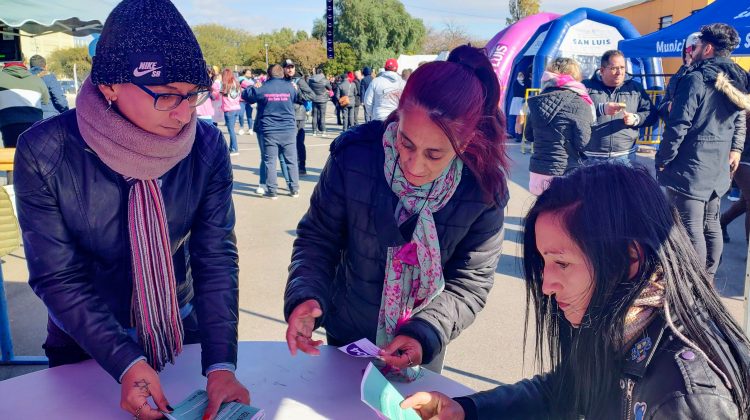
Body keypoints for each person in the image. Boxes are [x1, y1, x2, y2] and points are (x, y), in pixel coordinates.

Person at [14, 1, 248, 419]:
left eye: (193, 95)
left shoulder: (207, 147)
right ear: (109, 86)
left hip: (181, 327)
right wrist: (125, 361)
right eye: (166, 96)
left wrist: (220, 364)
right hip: (85, 341)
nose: (184, 113)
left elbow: (214, 257)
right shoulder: (45, 151)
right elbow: (56, 275)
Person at [402, 162, 750, 419]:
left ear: (630, 256)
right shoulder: (625, 318)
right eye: (544, 263)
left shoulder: (686, 397)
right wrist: (466, 410)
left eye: (562, 263)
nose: (546, 285)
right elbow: (567, 389)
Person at [284, 45, 509, 381]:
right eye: (406, 143)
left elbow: (470, 283)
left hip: (422, 341)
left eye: (434, 154)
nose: (414, 166)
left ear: (465, 144)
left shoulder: (483, 189)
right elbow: (318, 238)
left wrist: (424, 334)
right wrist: (306, 295)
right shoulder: (355, 156)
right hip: (348, 328)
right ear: (398, 114)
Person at [656, 23, 750, 279]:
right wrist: (735, 149)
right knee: (710, 225)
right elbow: (738, 120)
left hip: (691, 166)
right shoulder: (739, 78)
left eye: (696, 46)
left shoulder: (696, 78)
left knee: (692, 227)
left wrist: (663, 159)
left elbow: (679, 125)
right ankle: (707, 277)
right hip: (717, 166)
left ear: (707, 48)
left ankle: (695, 284)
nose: (694, 51)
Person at [525, 58, 594, 196]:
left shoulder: (537, 101)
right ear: (576, 77)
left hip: (538, 170)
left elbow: (529, 135)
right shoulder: (580, 102)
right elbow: (582, 142)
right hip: (566, 170)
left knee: (541, 212)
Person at [584, 50, 656, 162]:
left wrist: (636, 119)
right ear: (602, 70)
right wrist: (601, 109)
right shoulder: (586, 87)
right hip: (591, 157)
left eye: (622, 68)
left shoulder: (635, 88)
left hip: (625, 157)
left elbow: (651, 114)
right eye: (614, 68)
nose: (619, 72)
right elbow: (574, 113)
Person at [246, 64, 299, 199]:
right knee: (291, 160)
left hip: (270, 129)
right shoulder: (291, 87)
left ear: (268, 75)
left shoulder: (263, 88)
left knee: (270, 161)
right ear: (282, 74)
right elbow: (296, 98)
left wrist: (254, 86)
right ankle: (294, 188)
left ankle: (272, 190)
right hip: (288, 128)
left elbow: (247, 96)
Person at [0, 59, 49, 147]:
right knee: (32, 155)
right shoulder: (37, 80)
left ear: (5, 61)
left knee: (13, 155)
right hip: (34, 124)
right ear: (24, 62)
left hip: (9, 125)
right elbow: (45, 100)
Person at [283, 60, 314, 175]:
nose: (290, 69)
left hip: (298, 115)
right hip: (286, 114)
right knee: (288, 142)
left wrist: (298, 91)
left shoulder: (299, 80)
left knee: (298, 142)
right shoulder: (282, 80)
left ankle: (301, 165)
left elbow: (312, 95)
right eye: (287, 67)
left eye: (292, 67)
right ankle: (292, 165)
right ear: (284, 69)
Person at [29, 54, 69, 120]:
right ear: (45, 66)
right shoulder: (49, 77)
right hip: (50, 118)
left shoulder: (26, 78)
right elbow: (59, 99)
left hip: (32, 118)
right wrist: (66, 112)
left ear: (30, 66)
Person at [213, 68, 241, 155]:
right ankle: (232, 147)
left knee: (231, 130)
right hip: (236, 107)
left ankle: (234, 148)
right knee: (231, 129)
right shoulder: (236, 83)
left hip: (229, 109)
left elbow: (217, 94)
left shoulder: (225, 84)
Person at [307, 67, 331, 136]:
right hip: (323, 99)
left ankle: (314, 131)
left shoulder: (311, 80)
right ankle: (323, 131)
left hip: (314, 99)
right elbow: (330, 88)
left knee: (314, 115)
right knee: (322, 116)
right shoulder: (325, 80)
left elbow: (309, 88)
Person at [507, 70, 529, 142]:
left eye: (522, 75)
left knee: (520, 118)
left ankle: (519, 134)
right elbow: (518, 92)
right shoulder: (516, 83)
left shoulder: (526, 83)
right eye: (520, 75)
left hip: (523, 101)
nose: (521, 77)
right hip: (518, 101)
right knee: (518, 119)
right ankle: (518, 135)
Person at [238, 69, 255, 135]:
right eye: (247, 73)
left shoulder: (252, 81)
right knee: (241, 114)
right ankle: (241, 128)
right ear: (244, 73)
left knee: (249, 115)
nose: (249, 74)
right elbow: (244, 83)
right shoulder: (240, 78)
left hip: (249, 101)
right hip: (241, 100)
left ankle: (250, 129)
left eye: (250, 73)